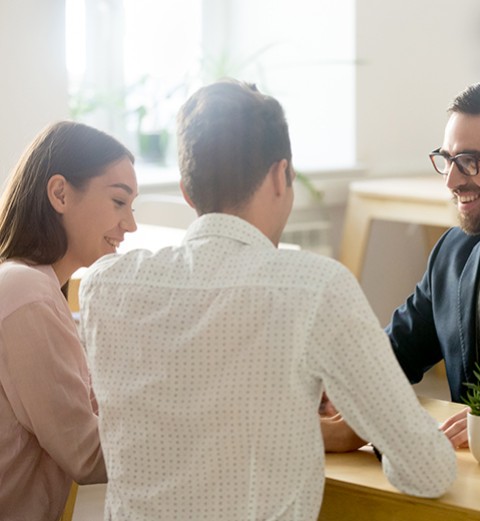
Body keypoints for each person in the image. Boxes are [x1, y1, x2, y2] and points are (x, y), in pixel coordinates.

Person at [79, 79, 456, 521]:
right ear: (281, 176)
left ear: (187, 191)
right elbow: (428, 470)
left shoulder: (104, 285)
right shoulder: (316, 288)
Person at [326, 78, 480, 452]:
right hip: (464, 477)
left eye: (470, 162)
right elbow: (394, 351)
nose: (451, 180)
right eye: (448, 160)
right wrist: (333, 387)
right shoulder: (452, 253)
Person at [0, 121, 137, 520]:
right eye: (118, 202)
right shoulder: (28, 295)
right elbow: (89, 455)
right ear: (60, 193)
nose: (130, 225)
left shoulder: (26, 284)